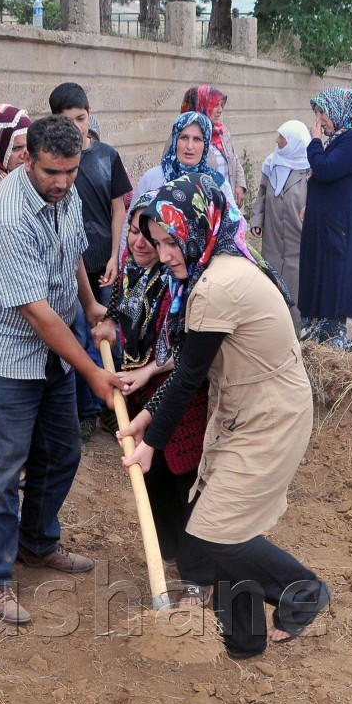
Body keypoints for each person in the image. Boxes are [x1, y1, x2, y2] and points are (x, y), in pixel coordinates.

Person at [116, 174, 330, 659]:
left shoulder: (216, 285)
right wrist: (147, 417)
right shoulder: (217, 264)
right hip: (244, 409)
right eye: (157, 242)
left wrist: (150, 442)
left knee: (212, 534)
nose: (166, 252)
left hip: (268, 416)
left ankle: (304, 590)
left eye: (172, 240)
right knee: (216, 531)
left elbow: (189, 374)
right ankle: (244, 640)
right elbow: (191, 364)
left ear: (196, 227)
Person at [0, 115, 122, 625]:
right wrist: (92, 371)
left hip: (52, 349)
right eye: (53, 171)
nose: (64, 182)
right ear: (28, 159)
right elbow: (36, 313)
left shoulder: (61, 196)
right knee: (0, 470)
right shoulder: (6, 216)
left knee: (62, 449)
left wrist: (90, 305)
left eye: (71, 171)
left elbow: (68, 254)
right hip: (0, 354)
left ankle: (36, 543)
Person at [105, 191, 212, 605]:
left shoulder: (183, 285)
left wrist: (150, 370)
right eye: (135, 232)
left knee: (189, 480)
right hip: (143, 394)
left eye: (160, 239)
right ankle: (171, 555)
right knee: (157, 477)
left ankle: (199, 576)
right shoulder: (133, 276)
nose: (142, 243)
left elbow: (186, 356)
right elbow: (118, 317)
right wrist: (109, 327)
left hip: (182, 398)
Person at [50, 82, 135, 440]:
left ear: (90, 114)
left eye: (81, 118)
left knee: (110, 334)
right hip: (71, 268)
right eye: (67, 120)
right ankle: (85, 410)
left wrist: (116, 254)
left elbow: (119, 207)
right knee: (79, 337)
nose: (76, 126)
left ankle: (111, 409)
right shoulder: (54, 164)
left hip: (106, 264)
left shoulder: (106, 156)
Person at [300, 87, 352, 351]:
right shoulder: (342, 139)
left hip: (343, 229)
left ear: (339, 110)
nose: (319, 119)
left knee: (342, 283)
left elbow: (324, 170)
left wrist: (313, 141)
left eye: (323, 112)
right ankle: (321, 343)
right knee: (327, 280)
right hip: (331, 227)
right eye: (317, 112)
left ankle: (345, 346)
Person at [250, 120, 311, 324]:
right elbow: (262, 193)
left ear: (294, 142)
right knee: (272, 283)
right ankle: (273, 327)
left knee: (296, 286)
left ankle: (296, 330)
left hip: (298, 237)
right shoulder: (271, 163)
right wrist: (257, 219)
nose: (277, 141)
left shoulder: (310, 168)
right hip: (273, 236)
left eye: (282, 138)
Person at [181, 85, 246, 208]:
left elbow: (234, 159)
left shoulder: (222, 132)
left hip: (226, 203)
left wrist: (240, 185)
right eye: (215, 105)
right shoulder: (181, 136)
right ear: (201, 105)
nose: (220, 110)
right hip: (201, 206)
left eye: (221, 105)